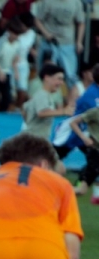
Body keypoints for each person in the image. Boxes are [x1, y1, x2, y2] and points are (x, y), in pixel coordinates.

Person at [52, 64, 99, 198]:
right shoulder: (92, 95)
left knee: (95, 161)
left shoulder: (94, 92)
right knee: (53, 158)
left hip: (84, 131)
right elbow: (90, 115)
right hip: (71, 132)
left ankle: (80, 186)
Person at [24, 64, 72, 141]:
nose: (61, 83)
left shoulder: (46, 95)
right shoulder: (42, 95)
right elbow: (41, 113)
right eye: (59, 79)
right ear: (46, 78)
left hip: (38, 139)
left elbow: (24, 107)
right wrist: (63, 111)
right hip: (34, 140)